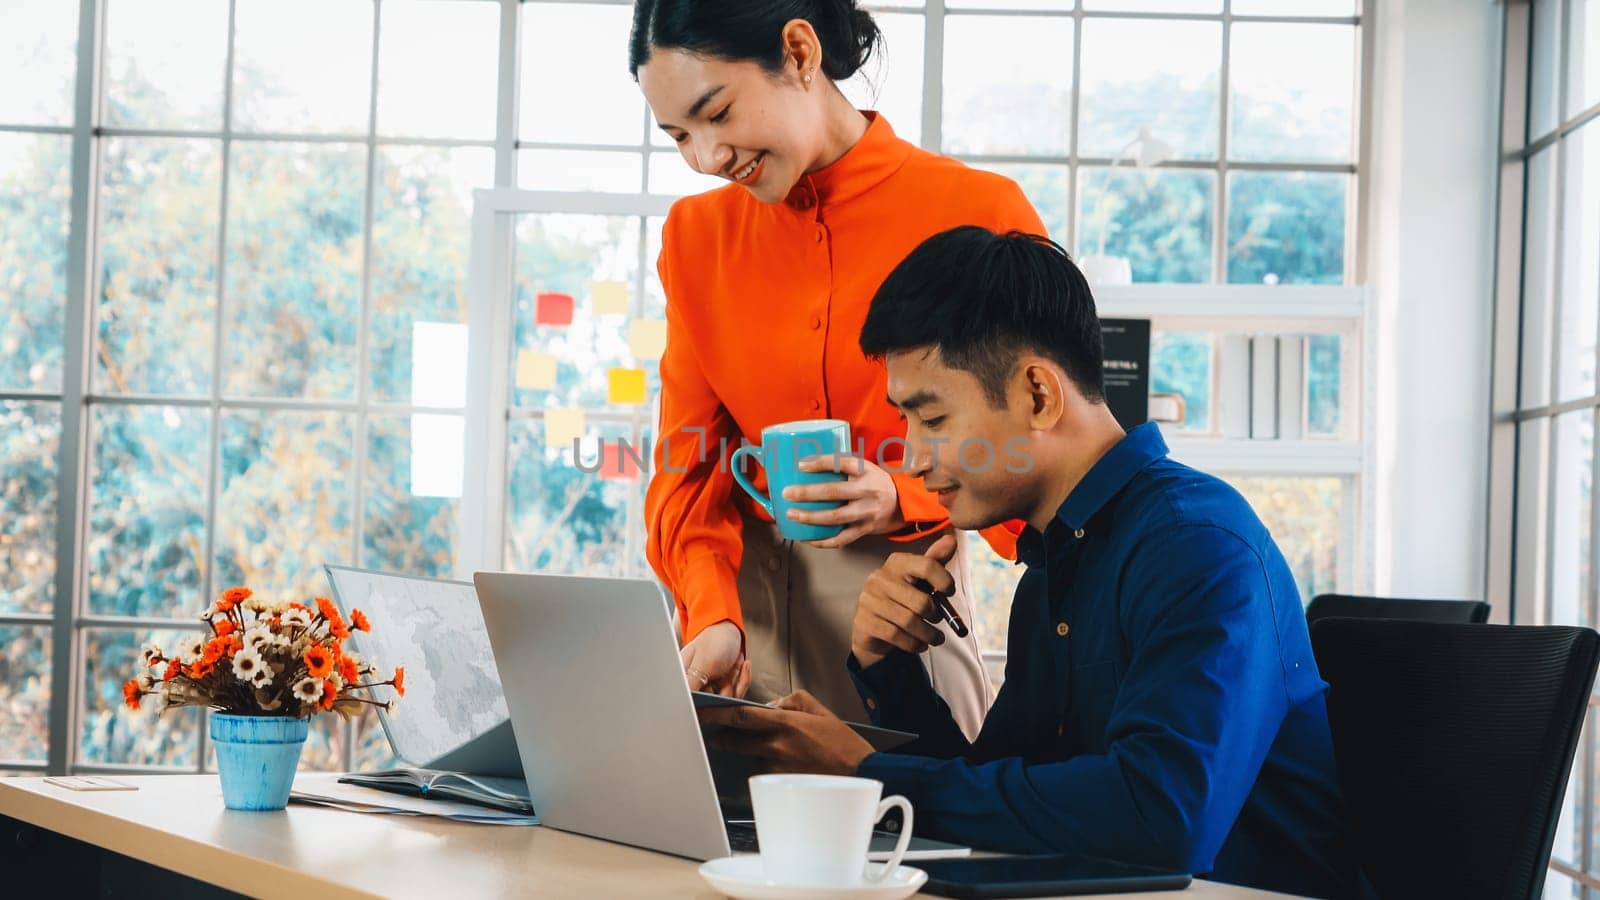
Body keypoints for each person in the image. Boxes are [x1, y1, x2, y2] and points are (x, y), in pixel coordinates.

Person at [699, 227, 1357, 899]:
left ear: (1037, 394)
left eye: (931, 419)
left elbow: (1161, 817)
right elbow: (1007, 788)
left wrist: (870, 778)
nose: (914, 459)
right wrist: (887, 666)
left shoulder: (1196, 545)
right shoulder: (1055, 560)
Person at [630, 0, 1047, 734]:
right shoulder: (696, 237)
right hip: (739, 628)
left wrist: (907, 496)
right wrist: (711, 614)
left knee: (924, 833)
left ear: (798, 53)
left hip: (905, 609)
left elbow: (1045, 459)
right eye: (678, 136)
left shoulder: (979, 212)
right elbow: (689, 469)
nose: (706, 157)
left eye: (717, 113)